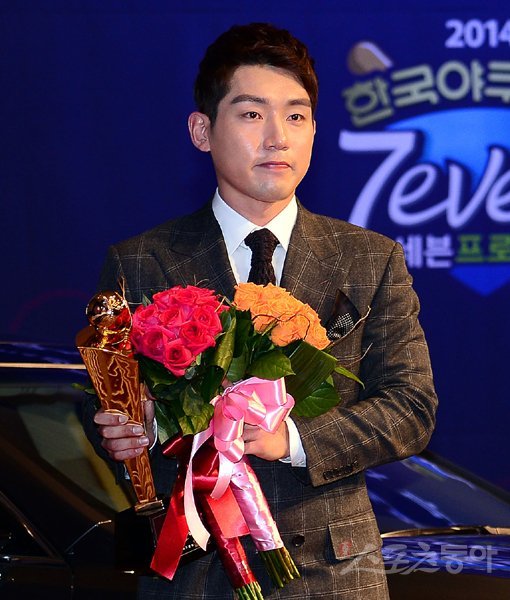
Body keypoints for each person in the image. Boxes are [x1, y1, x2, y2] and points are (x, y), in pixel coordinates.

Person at [84, 22, 438, 599]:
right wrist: (130, 427)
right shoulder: (142, 261)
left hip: (331, 573)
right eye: (251, 114)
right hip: (196, 573)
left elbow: (411, 407)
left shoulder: (369, 259)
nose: (277, 138)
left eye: (296, 116)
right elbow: (102, 401)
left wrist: (292, 439)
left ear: (315, 131)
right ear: (202, 130)